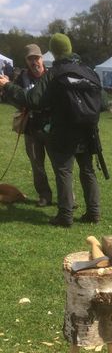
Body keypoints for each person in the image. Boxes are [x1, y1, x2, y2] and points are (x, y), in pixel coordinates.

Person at [0, 33, 103, 227]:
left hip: (64, 132)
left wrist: (7, 87)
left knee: (63, 171)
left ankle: (65, 216)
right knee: (87, 170)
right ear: (70, 48)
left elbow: (32, 100)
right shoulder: (88, 71)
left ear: (53, 52)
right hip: (88, 130)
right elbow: (103, 103)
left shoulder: (53, 74)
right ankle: (94, 212)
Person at [14, 44, 53, 207]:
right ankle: (44, 195)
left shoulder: (52, 76)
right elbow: (14, 96)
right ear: (26, 61)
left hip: (52, 128)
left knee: (61, 165)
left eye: (36, 58)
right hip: (31, 128)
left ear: (42, 58)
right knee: (37, 165)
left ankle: (68, 198)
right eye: (30, 59)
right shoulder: (21, 78)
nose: (34, 62)